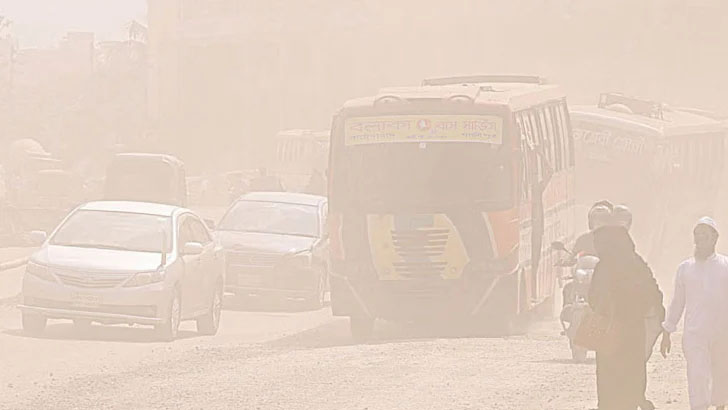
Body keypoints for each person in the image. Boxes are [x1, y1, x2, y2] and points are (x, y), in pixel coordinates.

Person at [588, 225, 664, 410]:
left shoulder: (604, 267)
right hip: (633, 331)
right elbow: (653, 293)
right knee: (632, 374)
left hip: (609, 331)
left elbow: (593, 297)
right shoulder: (636, 263)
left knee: (608, 380)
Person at [661, 217, 728, 410]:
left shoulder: (725, 266)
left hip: (722, 333)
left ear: (715, 238)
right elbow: (677, 302)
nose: (699, 241)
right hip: (695, 334)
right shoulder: (685, 268)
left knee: (721, 375)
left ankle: (720, 406)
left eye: (704, 237)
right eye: (697, 237)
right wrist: (667, 330)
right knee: (697, 376)